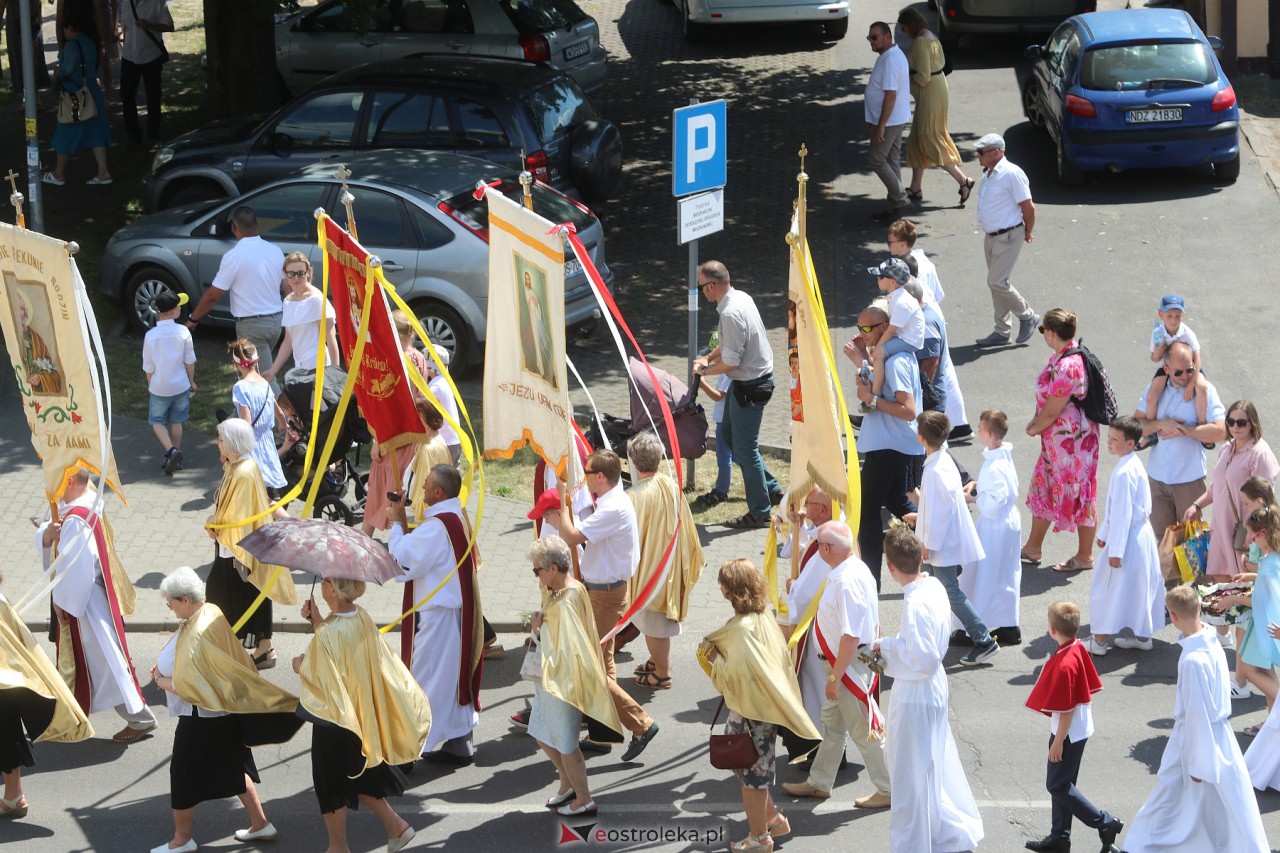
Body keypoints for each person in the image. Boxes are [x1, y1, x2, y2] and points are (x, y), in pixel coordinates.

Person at [149, 567, 302, 853]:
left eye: (170, 602)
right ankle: (260, 824)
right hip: (222, 710)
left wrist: (160, 680)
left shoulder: (198, 632)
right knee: (234, 765)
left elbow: (189, 686)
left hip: (202, 715)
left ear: (185, 599)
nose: (169, 608)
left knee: (182, 774)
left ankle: (181, 840)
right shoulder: (211, 612)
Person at [1123, 586, 1269, 852]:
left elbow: (1196, 714)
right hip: (1219, 735)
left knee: (1170, 795)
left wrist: (1199, 763)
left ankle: (1142, 845)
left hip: (1195, 741)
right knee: (1228, 800)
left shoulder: (1191, 660)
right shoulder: (1211, 639)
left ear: (1173, 616)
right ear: (1199, 608)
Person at [294, 576, 429, 853]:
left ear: (333, 589)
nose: (321, 584)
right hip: (359, 713)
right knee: (358, 775)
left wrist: (299, 666)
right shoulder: (361, 616)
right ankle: (395, 826)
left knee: (329, 782)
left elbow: (320, 675)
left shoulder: (329, 631)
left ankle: (338, 847)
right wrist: (318, 619)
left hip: (336, 716)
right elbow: (340, 651)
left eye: (325, 580)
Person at [875, 527, 984, 852]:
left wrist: (884, 648)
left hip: (917, 692)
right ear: (922, 558)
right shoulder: (933, 586)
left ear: (890, 568)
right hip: (931, 687)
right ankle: (947, 835)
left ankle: (912, 845)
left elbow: (920, 658)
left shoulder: (917, 603)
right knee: (928, 767)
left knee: (910, 776)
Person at [701, 558, 820, 853]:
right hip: (764, 712)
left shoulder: (741, 629)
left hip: (751, 715)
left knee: (752, 780)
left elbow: (737, 678)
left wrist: (715, 661)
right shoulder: (764, 615)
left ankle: (758, 838)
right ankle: (773, 819)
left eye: (721, 584)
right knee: (752, 772)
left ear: (727, 589)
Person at [550, 449, 659, 759]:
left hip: (605, 596)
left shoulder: (613, 507)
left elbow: (570, 536)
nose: (584, 478)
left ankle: (642, 723)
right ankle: (603, 734)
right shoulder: (613, 502)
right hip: (603, 592)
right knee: (603, 663)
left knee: (590, 667)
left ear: (600, 477)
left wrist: (561, 501)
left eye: (587, 473)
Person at [36, 467, 157, 742]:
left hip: (84, 604)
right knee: (105, 664)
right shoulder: (90, 501)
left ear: (68, 480)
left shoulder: (77, 520)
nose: (49, 487)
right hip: (93, 598)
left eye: (54, 479)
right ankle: (73, 716)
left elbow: (79, 570)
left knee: (104, 666)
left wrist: (62, 604)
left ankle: (138, 719)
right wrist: (46, 535)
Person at [781, 521, 891, 809]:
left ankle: (887, 787)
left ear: (827, 549)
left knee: (862, 731)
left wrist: (835, 677)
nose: (816, 550)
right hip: (843, 665)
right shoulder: (851, 570)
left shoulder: (845, 581)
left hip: (846, 667)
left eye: (818, 546)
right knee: (831, 727)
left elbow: (851, 636)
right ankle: (819, 782)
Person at [387, 464, 483, 765]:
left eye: (426, 485)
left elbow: (403, 560)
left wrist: (397, 524)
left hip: (437, 619)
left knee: (424, 683)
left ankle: (410, 750)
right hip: (450, 615)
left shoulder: (437, 526)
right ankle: (459, 741)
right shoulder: (454, 516)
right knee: (449, 682)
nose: (423, 489)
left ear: (439, 492)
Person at [526, 536, 623, 818]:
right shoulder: (573, 587)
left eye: (537, 570)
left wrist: (536, 630)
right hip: (551, 680)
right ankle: (567, 783)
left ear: (553, 568)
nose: (536, 576)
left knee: (567, 745)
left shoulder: (564, 606)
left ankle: (584, 799)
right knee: (542, 733)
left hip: (562, 684)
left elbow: (563, 649)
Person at [1023, 601, 1123, 852]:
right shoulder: (1076, 647)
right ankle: (1060, 837)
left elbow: (1066, 708)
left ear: (1051, 630)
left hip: (1068, 733)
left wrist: (1058, 741)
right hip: (1077, 729)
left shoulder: (1065, 662)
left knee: (1056, 785)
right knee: (1064, 785)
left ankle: (1104, 822)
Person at [692, 260, 782, 529]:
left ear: (711, 285)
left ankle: (760, 512)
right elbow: (728, 344)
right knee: (730, 437)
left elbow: (731, 361)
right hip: (746, 383)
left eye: (700, 287)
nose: (701, 292)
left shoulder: (730, 313)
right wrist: (707, 357)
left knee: (745, 448)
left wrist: (702, 372)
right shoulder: (740, 297)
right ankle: (773, 489)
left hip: (750, 387)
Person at [0, 572, 94, 821]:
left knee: (7, 735)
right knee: (7, 734)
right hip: (9, 681)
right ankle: (13, 797)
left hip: (6, 681)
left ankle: (14, 797)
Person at [1135, 341, 1227, 587]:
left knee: (1194, 540)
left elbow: (1220, 430)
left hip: (1189, 479)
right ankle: (1172, 595)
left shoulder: (1204, 390)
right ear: (1166, 369)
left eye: (1190, 370)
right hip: (1158, 478)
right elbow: (1136, 425)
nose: (1186, 376)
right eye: (1178, 372)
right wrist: (1161, 425)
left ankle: (1202, 592)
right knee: (1165, 540)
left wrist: (1186, 430)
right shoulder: (1157, 390)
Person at [204, 418, 294, 668]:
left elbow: (236, 515)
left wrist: (213, 522)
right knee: (252, 593)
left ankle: (230, 652)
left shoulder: (243, 471)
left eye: (221, 439)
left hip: (236, 547)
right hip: (239, 545)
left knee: (222, 596)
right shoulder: (242, 466)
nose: (217, 443)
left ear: (232, 442)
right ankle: (263, 649)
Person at [845, 301, 922, 586]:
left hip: (892, 445)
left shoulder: (895, 360)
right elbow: (875, 389)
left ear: (885, 327)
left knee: (867, 511)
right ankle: (938, 550)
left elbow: (909, 409)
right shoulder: (884, 358)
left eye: (867, 328)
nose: (862, 333)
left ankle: (869, 582)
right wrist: (862, 361)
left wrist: (873, 400)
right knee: (895, 501)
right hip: (890, 444)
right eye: (859, 327)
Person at [914, 410, 998, 666]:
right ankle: (931, 632)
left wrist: (928, 544)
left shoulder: (936, 469)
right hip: (940, 541)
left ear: (921, 438)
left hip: (941, 543)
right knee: (934, 587)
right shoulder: (941, 459)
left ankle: (983, 640)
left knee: (950, 592)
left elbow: (940, 513)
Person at [1020, 309, 1100, 574]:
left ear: (1051, 333)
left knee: (1079, 493)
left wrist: (1034, 427)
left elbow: (1054, 410)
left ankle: (1085, 555)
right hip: (1061, 443)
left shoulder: (1067, 365)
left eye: (1043, 330)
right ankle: (1033, 546)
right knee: (1044, 486)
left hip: (1072, 444)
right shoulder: (1064, 355)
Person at [625, 432, 705, 691]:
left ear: (633, 463)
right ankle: (656, 659)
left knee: (654, 622)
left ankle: (663, 672)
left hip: (652, 569)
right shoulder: (671, 484)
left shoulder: (633, 496)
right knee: (652, 621)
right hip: (671, 562)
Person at [1085, 416, 1163, 656]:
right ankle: (1141, 635)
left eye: (1115, 440)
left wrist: (1115, 549)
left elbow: (1121, 513)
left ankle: (1099, 641)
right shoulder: (1133, 464)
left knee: (1108, 588)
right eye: (1109, 438)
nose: (1109, 443)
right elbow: (1120, 511)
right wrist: (1105, 533)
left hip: (1127, 539)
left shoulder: (1123, 473)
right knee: (1138, 586)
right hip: (1139, 536)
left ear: (1131, 443)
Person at [185, 206, 285, 382]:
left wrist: (193, 318)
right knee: (251, 376)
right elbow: (287, 287)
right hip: (277, 321)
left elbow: (213, 295)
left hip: (252, 326)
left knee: (262, 379)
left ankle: (282, 410)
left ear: (233, 227)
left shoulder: (234, 256)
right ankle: (238, 411)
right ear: (257, 224)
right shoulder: (275, 250)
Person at [1184, 400, 1279, 583]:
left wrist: (1254, 532)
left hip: (1242, 532)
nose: (1235, 426)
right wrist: (1197, 505)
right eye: (1231, 421)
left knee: (1242, 582)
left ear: (1253, 423)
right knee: (1219, 581)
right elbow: (1217, 486)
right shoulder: (1227, 448)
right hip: (1219, 529)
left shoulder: (1260, 453)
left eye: (1241, 422)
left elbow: (1264, 497)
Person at [1207, 506, 1280, 726]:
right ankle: (1273, 727)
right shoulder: (1271, 558)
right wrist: (1251, 575)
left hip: (1267, 628)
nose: (1249, 540)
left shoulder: (1269, 565)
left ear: (1264, 534)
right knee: (1265, 671)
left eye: (1253, 535)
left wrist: (1232, 600)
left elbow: (1267, 599)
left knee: (1248, 668)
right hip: (1265, 626)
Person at [361, 309, 430, 535]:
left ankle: (371, 540)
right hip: (411, 432)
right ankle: (396, 541)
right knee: (397, 490)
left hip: (392, 434)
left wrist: (376, 440)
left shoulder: (393, 359)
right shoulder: (418, 357)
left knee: (383, 490)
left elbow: (385, 404)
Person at [897, 8, 974, 207]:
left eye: (903, 28)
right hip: (938, 89)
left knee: (928, 137)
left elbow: (922, 77)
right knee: (917, 139)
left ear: (910, 25)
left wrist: (903, 78)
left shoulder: (921, 42)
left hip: (930, 92)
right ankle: (915, 188)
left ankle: (963, 180)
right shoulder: (931, 36)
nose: (903, 32)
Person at [972, 133, 1039, 347]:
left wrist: (1028, 230)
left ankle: (1027, 315)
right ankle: (1002, 330)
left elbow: (1028, 208)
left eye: (981, 152)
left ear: (996, 152)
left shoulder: (1012, 174)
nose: (978, 156)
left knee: (996, 281)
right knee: (996, 284)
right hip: (992, 237)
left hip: (1009, 236)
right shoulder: (989, 174)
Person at [961, 409, 1022, 645]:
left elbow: (994, 504)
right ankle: (1008, 623)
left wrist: (975, 498)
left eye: (979, 427)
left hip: (995, 526)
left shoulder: (995, 466)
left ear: (987, 433)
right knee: (1005, 573)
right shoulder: (1002, 457)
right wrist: (979, 487)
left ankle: (978, 627)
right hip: (1006, 523)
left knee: (985, 574)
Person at [43, 12, 112, 186]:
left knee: (65, 130)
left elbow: (66, 70)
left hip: (75, 95)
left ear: (68, 28)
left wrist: (57, 73)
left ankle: (58, 173)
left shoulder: (72, 46)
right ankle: (103, 172)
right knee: (97, 132)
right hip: (92, 90)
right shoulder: (90, 43)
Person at [262, 252, 338, 386]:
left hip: (319, 367)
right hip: (299, 367)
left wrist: (335, 374)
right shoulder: (288, 301)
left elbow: (330, 339)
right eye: (291, 274)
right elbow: (288, 340)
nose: (296, 278)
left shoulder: (316, 299)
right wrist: (273, 370)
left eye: (301, 273)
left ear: (308, 273)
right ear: (285, 274)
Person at [142, 288, 197, 476]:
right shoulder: (183, 332)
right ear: (174, 312)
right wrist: (192, 381)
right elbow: (189, 361)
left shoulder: (150, 336)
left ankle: (170, 451)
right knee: (176, 421)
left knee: (156, 421)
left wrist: (151, 385)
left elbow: (148, 366)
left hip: (159, 386)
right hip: (181, 385)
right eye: (179, 307)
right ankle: (176, 454)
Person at [865, 20, 912, 221]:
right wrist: (872, 117)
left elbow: (890, 95)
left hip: (890, 121)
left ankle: (901, 198)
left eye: (874, 37)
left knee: (876, 159)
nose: (871, 42)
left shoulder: (891, 59)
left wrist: (881, 126)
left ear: (887, 36)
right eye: (869, 38)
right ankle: (894, 208)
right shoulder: (890, 55)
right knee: (892, 161)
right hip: (894, 118)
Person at [228, 338, 287, 496]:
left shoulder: (240, 387)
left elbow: (246, 422)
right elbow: (279, 412)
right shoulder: (265, 383)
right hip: (267, 443)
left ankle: (278, 517)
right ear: (257, 360)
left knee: (254, 492)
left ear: (236, 364)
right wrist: (283, 424)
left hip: (251, 445)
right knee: (265, 490)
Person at [1143, 294, 1209, 431]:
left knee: (1202, 388)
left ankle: (1202, 423)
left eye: (1177, 316)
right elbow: (1154, 359)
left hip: (1189, 367)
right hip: (1168, 368)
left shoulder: (1188, 333)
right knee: (1151, 396)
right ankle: (1151, 430)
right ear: (1161, 315)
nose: (1173, 320)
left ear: (1183, 315)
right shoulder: (1158, 332)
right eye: (1169, 316)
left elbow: (1197, 359)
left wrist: (1191, 385)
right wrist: (1159, 350)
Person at [866, 258, 925, 401]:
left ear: (893, 282)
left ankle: (875, 395)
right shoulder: (896, 296)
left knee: (879, 354)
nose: (877, 278)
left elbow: (891, 330)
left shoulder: (901, 302)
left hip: (909, 340)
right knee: (878, 351)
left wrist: (878, 346)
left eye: (881, 276)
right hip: (904, 336)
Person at [117, 0, 172, 143]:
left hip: (151, 55)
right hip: (129, 54)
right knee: (127, 96)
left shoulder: (157, 2)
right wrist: (121, 35)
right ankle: (134, 136)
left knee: (153, 96)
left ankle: (153, 133)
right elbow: (125, 24)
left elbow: (170, 26)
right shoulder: (126, 2)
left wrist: (148, 25)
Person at [693, 371, 734, 508]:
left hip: (725, 420)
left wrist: (703, 384)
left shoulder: (730, 373)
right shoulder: (728, 369)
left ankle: (721, 490)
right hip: (726, 419)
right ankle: (770, 487)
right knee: (738, 456)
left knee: (725, 456)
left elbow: (718, 396)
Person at [425, 344, 462, 466]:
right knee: (451, 479)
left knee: (441, 478)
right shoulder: (443, 382)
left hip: (445, 443)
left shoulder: (436, 387)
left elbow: (422, 405)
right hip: (454, 441)